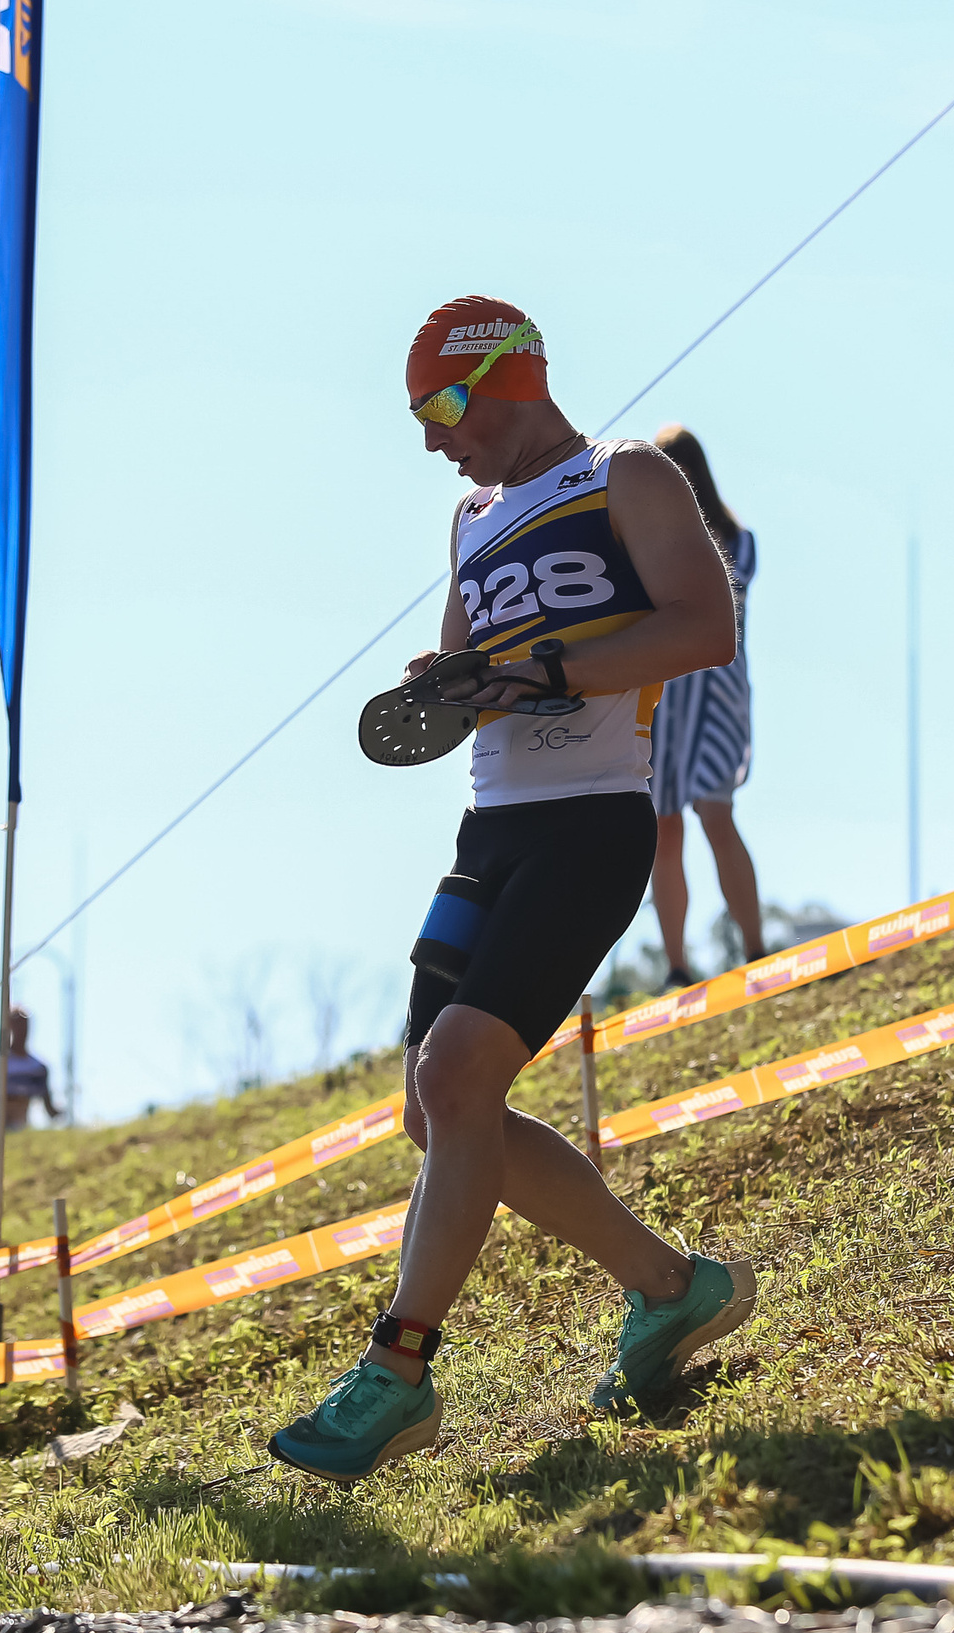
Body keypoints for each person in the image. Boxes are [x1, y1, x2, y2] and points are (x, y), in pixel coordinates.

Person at [268, 296, 755, 1483]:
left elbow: (706, 628)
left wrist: (544, 666)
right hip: (488, 832)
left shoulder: (624, 474)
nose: (436, 438)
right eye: (420, 417)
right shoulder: (468, 520)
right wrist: (450, 681)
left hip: (591, 827)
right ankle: (672, 1288)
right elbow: (470, 682)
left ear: (512, 378)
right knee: (436, 1114)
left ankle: (398, 1370)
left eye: (443, 406)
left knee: (455, 1073)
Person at [646, 424, 765, 984]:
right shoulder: (643, 540)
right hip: (665, 690)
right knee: (664, 826)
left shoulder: (735, 540)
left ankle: (757, 948)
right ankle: (676, 964)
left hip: (713, 688)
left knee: (715, 813)